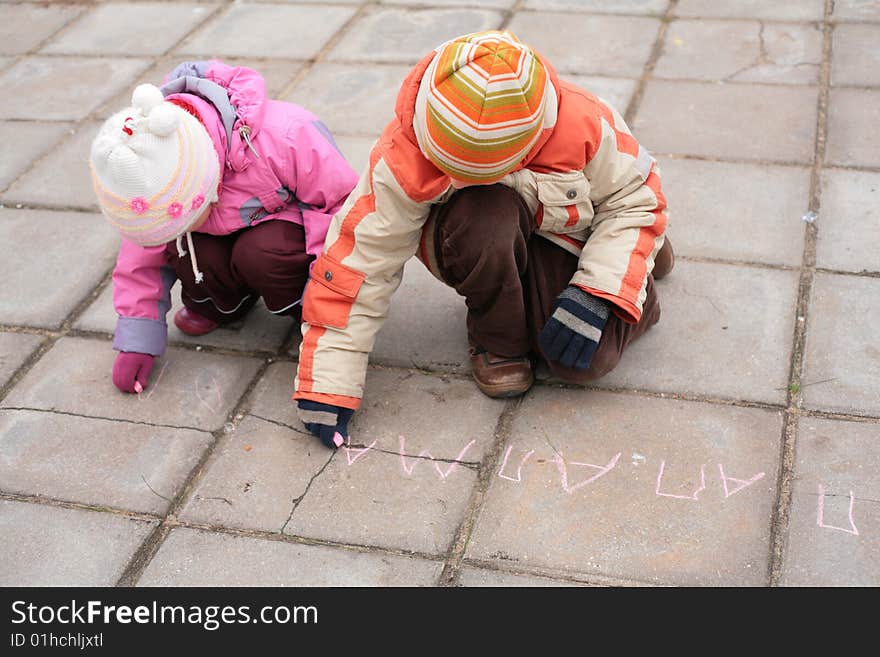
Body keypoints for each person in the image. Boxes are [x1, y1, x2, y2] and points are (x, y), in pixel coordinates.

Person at [293, 31, 673, 450]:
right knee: (484, 215)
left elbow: (636, 201)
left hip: (567, 228)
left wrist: (597, 296)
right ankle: (498, 341)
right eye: (450, 169)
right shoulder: (405, 150)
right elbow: (359, 259)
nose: (460, 178)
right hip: (479, 232)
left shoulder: (584, 124)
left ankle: (637, 260)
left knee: (583, 362)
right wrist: (326, 383)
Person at [90, 60, 358, 394]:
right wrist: (138, 335)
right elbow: (142, 252)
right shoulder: (151, 165)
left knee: (261, 253)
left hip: (279, 237)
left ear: (205, 182)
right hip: (216, 246)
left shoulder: (286, 134)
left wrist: (328, 301)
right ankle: (219, 303)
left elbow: (343, 209)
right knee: (187, 247)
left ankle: (298, 306)